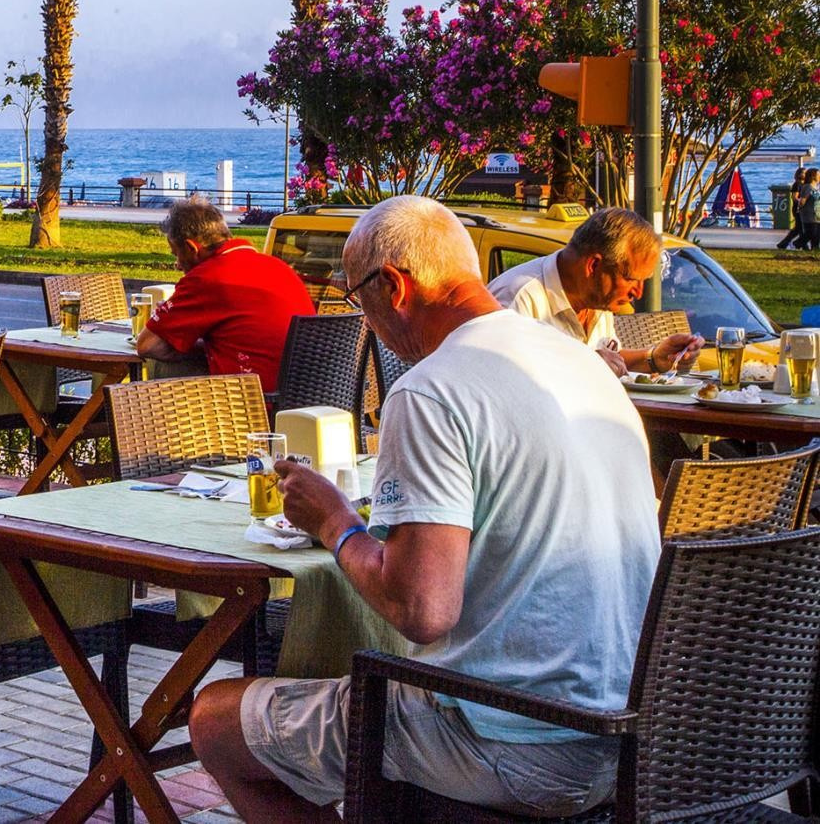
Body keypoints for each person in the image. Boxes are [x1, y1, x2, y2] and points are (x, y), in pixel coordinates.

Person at [190, 196, 660, 821]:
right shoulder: (584, 364)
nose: (368, 322)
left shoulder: (431, 390)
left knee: (216, 719)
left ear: (394, 287)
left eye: (360, 300)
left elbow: (423, 610)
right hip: (638, 738)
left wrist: (335, 521)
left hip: (517, 741)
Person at [486, 207, 701, 377]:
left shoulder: (596, 297)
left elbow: (610, 362)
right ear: (594, 266)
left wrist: (654, 358)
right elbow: (506, 381)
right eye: (630, 279)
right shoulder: (519, 298)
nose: (638, 293)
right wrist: (587, 364)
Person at [135, 198, 314, 389]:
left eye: (176, 254)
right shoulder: (277, 267)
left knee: (160, 367)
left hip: (252, 396)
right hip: (305, 393)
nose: (178, 265)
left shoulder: (207, 278)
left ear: (191, 248)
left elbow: (147, 345)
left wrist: (188, 342)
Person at [779, 168, 812, 251]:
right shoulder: (797, 184)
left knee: (798, 229)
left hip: (802, 209)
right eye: (804, 173)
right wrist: (801, 201)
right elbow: (794, 197)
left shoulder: (806, 184)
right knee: (800, 228)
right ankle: (802, 246)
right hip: (798, 209)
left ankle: (783, 244)